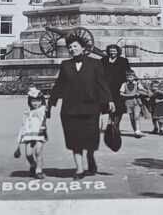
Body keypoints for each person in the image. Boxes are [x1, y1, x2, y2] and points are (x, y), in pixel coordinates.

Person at [48, 36, 115, 179]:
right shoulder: (65, 65)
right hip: (70, 109)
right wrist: (50, 103)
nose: (72, 49)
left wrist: (109, 100)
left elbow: (101, 83)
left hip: (90, 108)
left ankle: (90, 156)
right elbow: (59, 85)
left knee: (90, 138)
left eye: (75, 46)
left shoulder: (95, 64)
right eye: (70, 47)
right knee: (74, 140)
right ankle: (79, 169)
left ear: (83, 48)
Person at [13, 87, 50, 178]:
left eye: (38, 101)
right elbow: (23, 125)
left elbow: (45, 113)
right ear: (29, 101)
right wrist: (20, 138)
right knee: (28, 154)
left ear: (41, 101)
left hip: (39, 134)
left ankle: (39, 170)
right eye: (33, 101)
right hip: (29, 135)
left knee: (38, 152)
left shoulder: (42, 109)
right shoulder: (27, 112)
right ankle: (33, 165)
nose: (36, 103)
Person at [101, 44, 132, 128]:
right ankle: (110, 123)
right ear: (108, 52)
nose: (112, 53)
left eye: (114, 51)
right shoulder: (103, 60)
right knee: (108, 106)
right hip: (107, 87)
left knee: (119, 107)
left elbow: (128, 72)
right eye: (110, 51)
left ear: (118, 52)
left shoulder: (123, 60)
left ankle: (116, 124)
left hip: (119, 87)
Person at [117, 72, 146, 138]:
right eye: (128, 77)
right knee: (132, 117)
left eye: (131, 77)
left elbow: (142, 90)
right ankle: (135, 130)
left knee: (136, 116)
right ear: (126, 78)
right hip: (128, 102)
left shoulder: (137, 83)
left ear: (134, 77)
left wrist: (141, 92)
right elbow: (121, 94)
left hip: (136, 102)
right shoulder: (124, 84)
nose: (130, 78)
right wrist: (130, 95)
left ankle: (138, 130)